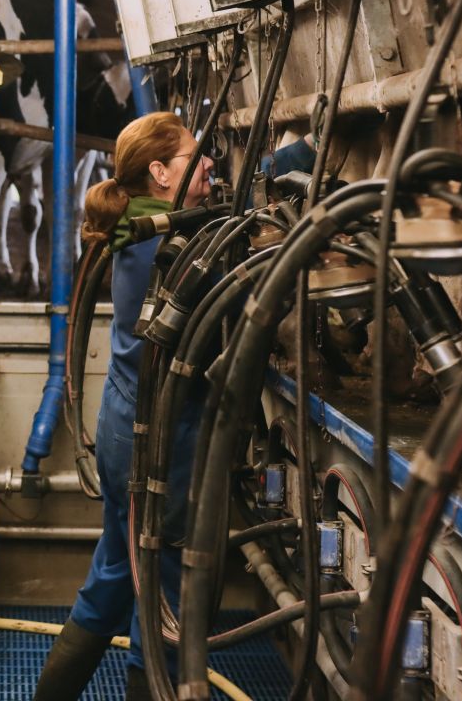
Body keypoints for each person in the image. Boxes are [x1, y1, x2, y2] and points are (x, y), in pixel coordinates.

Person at [33, 112, 315, 700]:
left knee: (117, 573)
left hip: (127, 425)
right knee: (165, 586)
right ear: (160, 173)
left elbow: (233, 205)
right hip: (161, 436)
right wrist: (303, 156)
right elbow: (239, 232)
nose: (210, 161)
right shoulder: (169, 242)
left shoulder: (143, 226)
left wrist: (290, 158)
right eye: (195, 155)